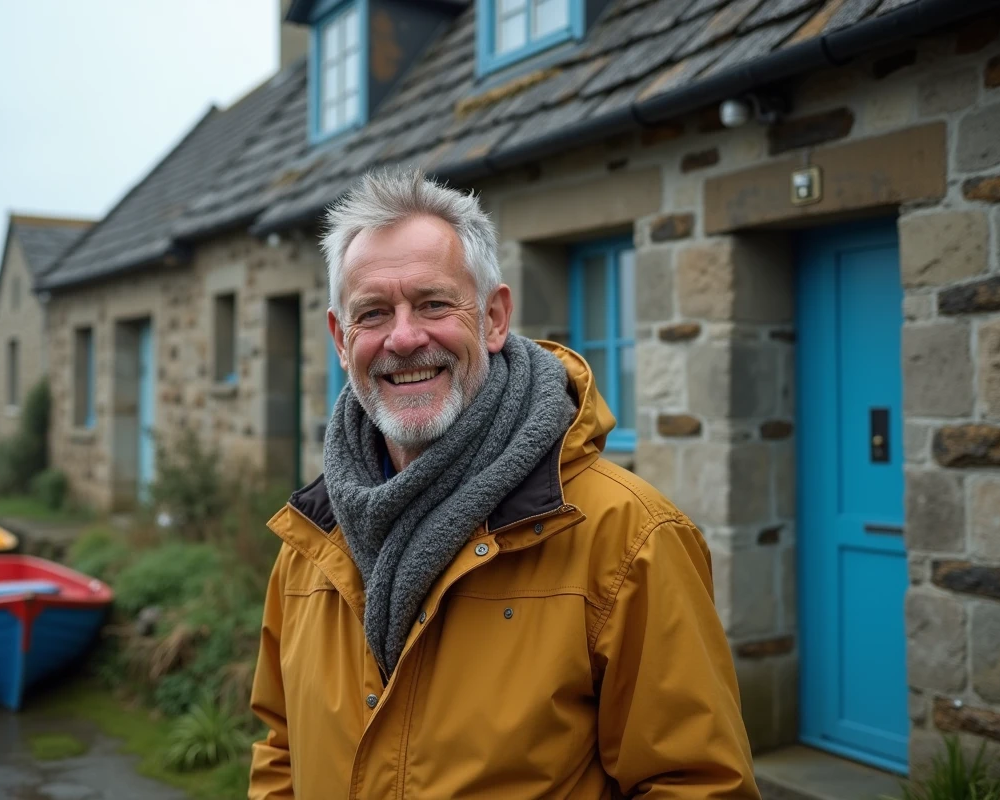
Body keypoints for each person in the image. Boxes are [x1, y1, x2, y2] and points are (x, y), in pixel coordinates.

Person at [248, 168, 760, 799]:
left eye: (434, 304)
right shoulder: (313, 537)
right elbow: (282, 750)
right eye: (373, 313)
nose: (403, 337)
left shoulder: (629, 538)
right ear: (340, 338)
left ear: (493, 318)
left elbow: (696, 784)